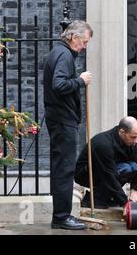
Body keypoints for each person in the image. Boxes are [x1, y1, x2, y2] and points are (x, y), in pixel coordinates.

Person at [43, 20, 93, 230]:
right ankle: (62, 216)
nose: (84, 46)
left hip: (59, 118)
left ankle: (60, 215)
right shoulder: (63, 55)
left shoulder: (59, 52)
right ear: (73, 37)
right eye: (84, 41)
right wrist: (80, 81)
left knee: (61, 167)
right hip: (63, 120)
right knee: (65, 168)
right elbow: (59, 84)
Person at [74, 116, 137, 209]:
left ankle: (106, 197)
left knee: (133, 167)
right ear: (122, 132)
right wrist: (125, 203)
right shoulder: (103, 144)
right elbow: (109, 176)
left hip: (110, 169)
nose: (136, 141)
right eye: (133, 137)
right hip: (86, 174)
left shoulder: (130, 142)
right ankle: (92, 199)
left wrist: (134, 190)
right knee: (126, 168)